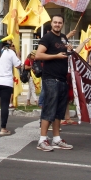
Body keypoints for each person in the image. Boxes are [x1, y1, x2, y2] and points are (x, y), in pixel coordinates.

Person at [35, 15, 78, 152]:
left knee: (59, 111)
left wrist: (69, 50)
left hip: (62, 79)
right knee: (49, 109)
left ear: (62, 24)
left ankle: (56, 138)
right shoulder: (47, 38)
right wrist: (56, 56)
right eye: (55, 22)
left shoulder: (64, 38)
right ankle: (42, 140)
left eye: (60, 22)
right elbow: (38, 55)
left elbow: (66, 55)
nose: (57, 24)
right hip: (51, 79)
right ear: (52, 23)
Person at [0, 38, 21, 136]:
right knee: (5, 104)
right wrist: (18, 54)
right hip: (6, 82)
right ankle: (3, 128)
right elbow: (18, 65)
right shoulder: (10, 53)